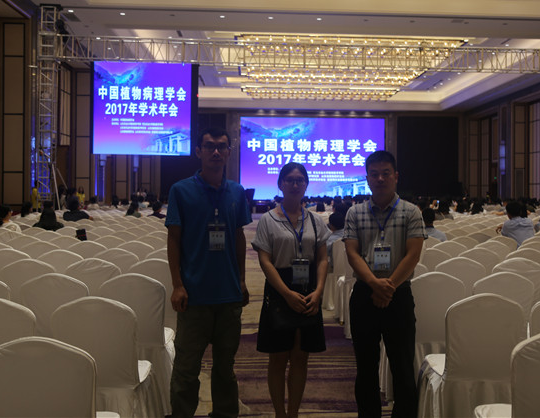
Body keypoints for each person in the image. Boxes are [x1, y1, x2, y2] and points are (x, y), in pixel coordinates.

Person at [165, 126, 252, 418]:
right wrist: (178, 285)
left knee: (225, 368)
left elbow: (238, 237)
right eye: (209, 146)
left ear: (228, 152)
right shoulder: (181, 190)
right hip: (194, 296)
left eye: (221, 146)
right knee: (186, 369)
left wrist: (241, 280)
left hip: (228, 296)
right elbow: (174, 239)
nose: (216, 151)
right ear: (198, 151)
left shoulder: (237, 192)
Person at [344, 150, 425, 418]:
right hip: (364, 295)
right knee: (365, 367)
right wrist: (374, 284)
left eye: (385, 173)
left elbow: (413, 255)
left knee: (402, 367)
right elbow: (352, 253)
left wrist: (388, 286)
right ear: (367, 178)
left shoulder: (411, 212)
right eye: (374, 174)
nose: (380, 179)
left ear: (396, 176)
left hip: (398, 295)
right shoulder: (355, 212)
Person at [252, 163, 329, 418]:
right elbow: (265, 261)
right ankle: (280, 414)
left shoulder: (315, 221)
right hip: (279, 288)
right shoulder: (268, 219)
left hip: (308, 290)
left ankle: (293, 413)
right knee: (278, 357)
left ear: (306, 184)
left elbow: (322, 259)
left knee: (300, 356)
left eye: (300, 180)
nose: (295, 184)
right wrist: (286, 293)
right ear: (280, 184)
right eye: (290, 180)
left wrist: (319, 291)